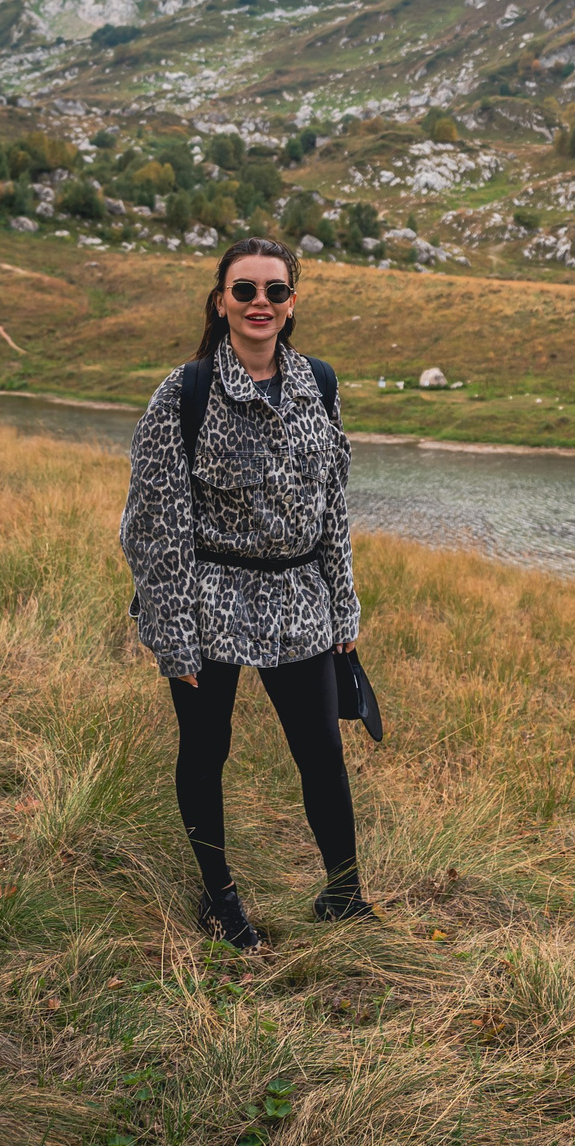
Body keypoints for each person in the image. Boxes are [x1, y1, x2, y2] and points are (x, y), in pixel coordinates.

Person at [120, 236, 369, 949]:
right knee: (206, 750)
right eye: (245, 290)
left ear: (294, 303)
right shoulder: (184, 391)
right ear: (220, 301)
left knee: (321, 749)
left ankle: (345, 893)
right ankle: (219, 898)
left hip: (300, 599)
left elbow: (334, 506)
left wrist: (343, 603)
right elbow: (156, 523)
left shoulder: (319, 382)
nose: (261, 302)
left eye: (276, 290)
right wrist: (172, 633)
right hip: (209, 598)